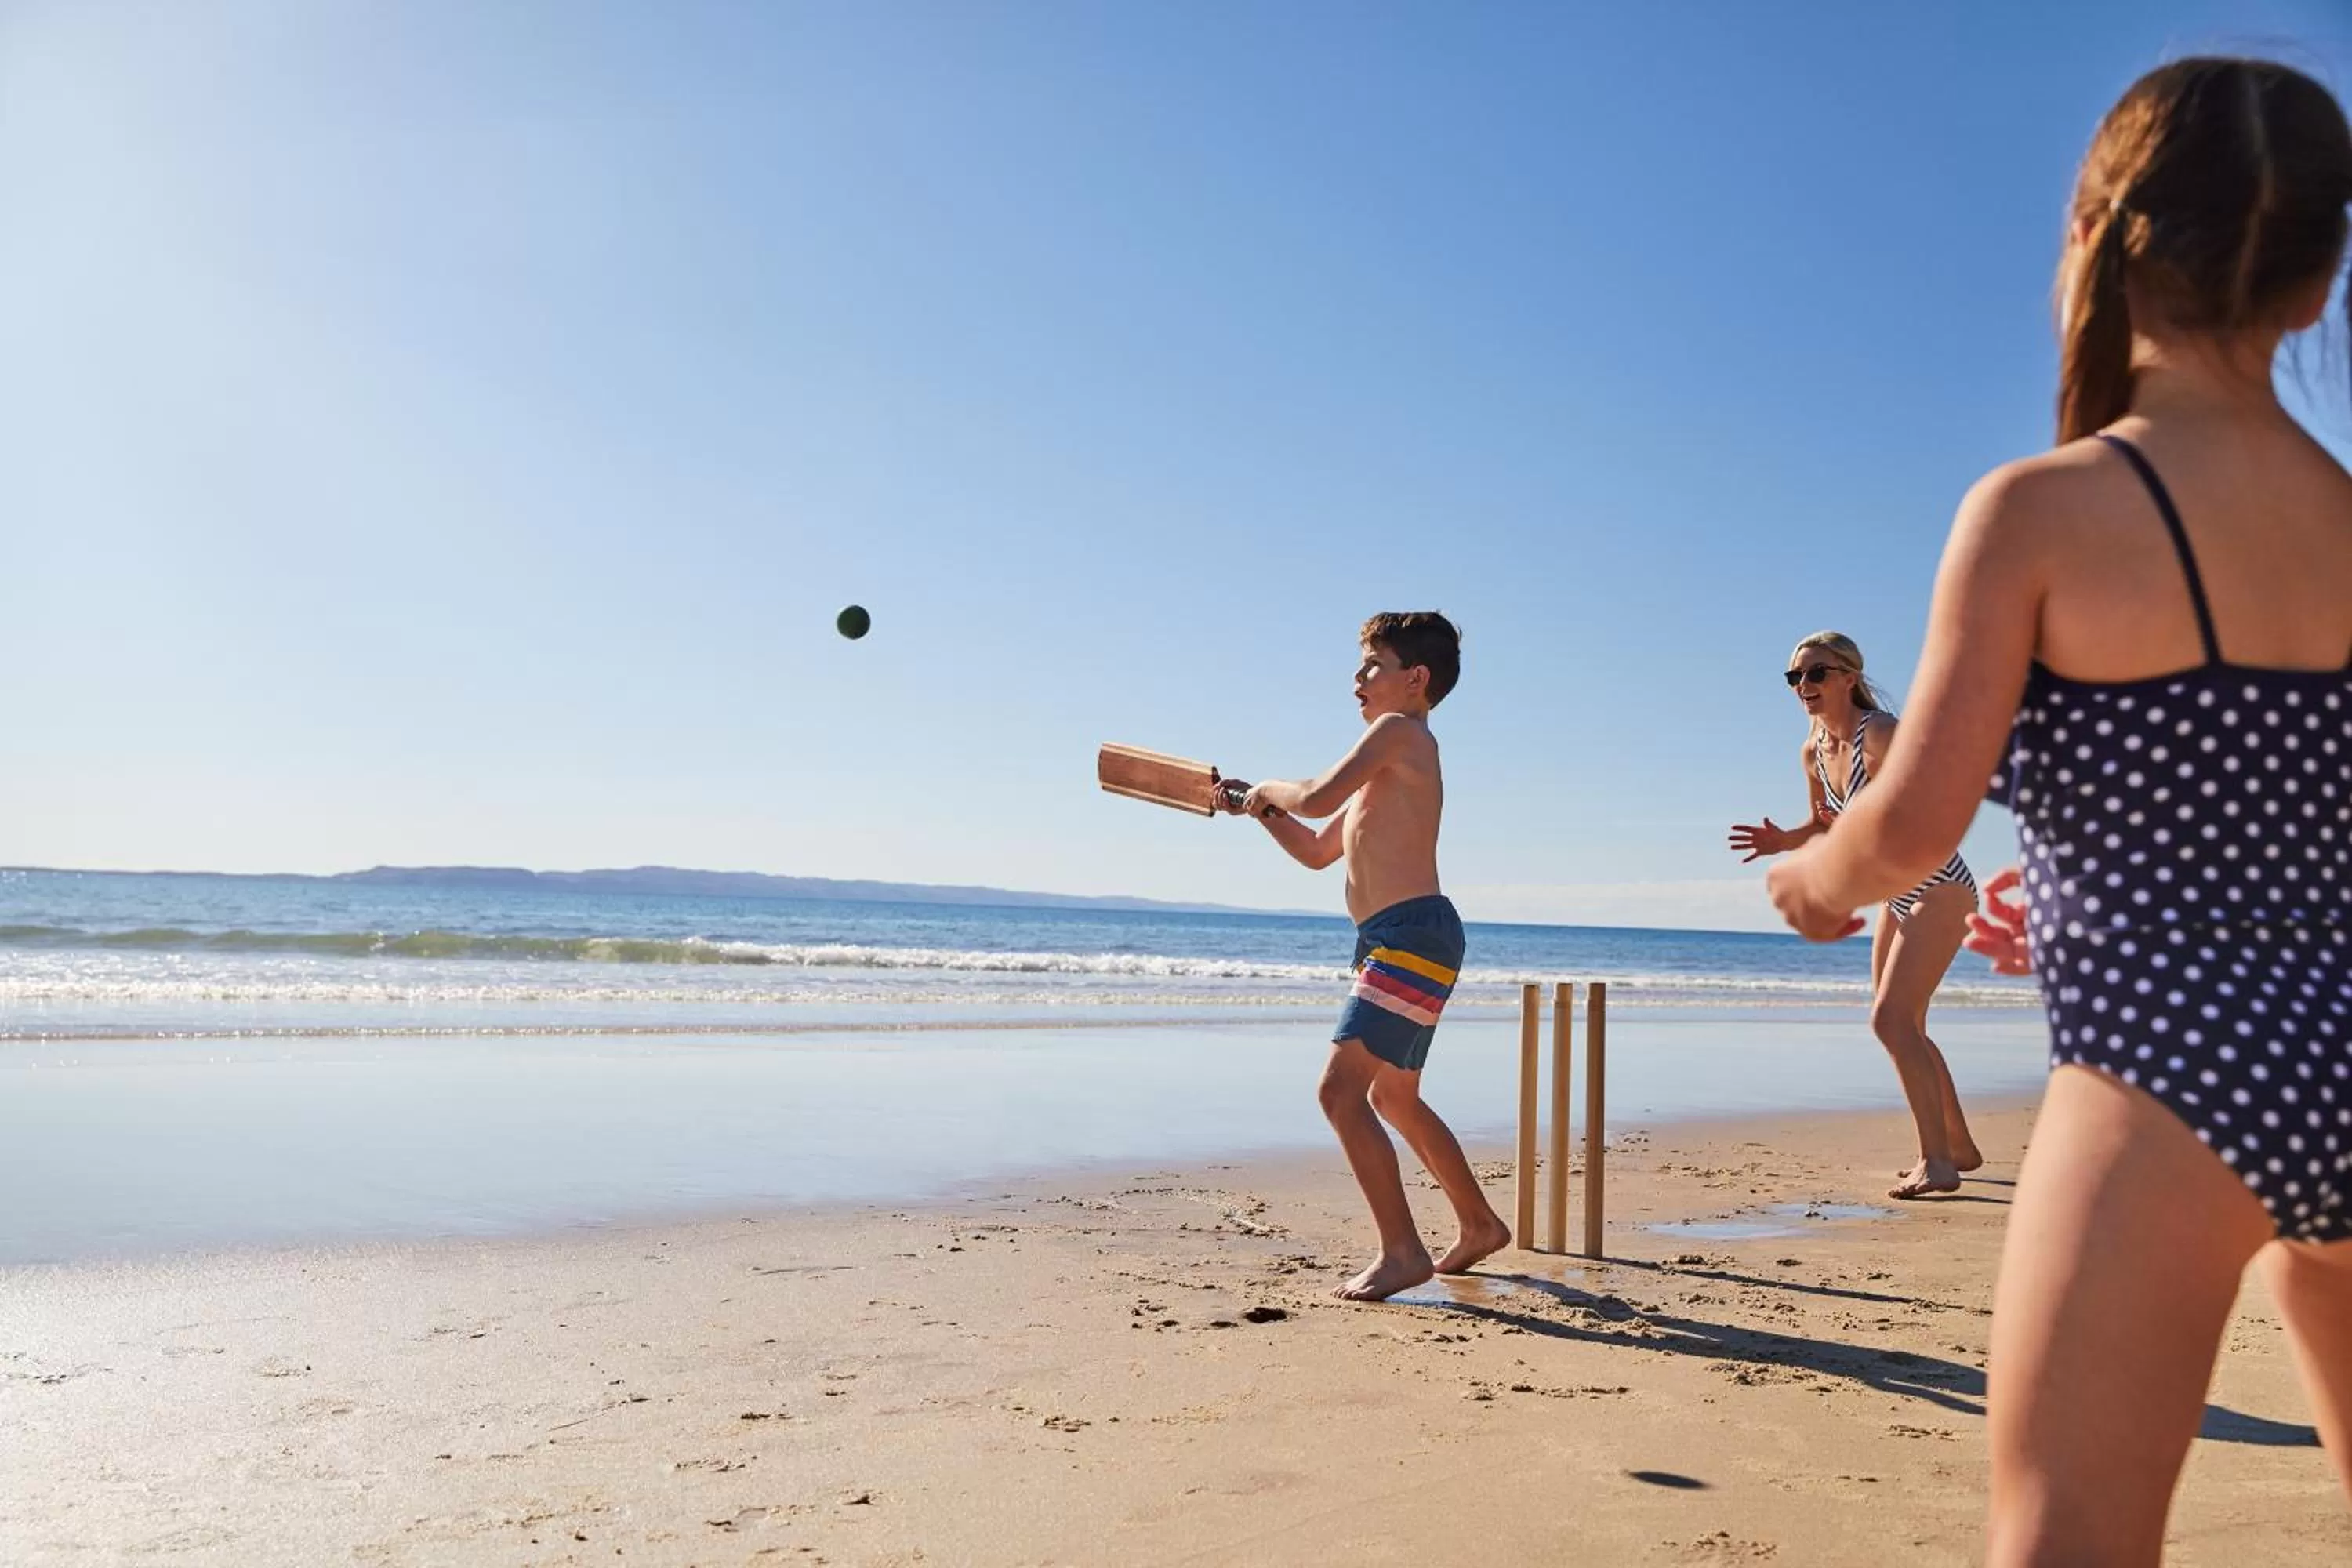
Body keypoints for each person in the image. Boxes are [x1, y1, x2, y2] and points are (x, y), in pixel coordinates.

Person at [1764, 58, 2352, 1564]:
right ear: (2316, 282)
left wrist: (1821, 880)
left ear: (2094, 237)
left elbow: (1908, 825)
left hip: (2165, 1068)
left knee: (2068, 1536)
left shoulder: (2043, 509)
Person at [1222, 611, 1510, 1301]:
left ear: (1416, 679)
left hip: (1411, 936)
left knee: (1339, 1091)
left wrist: (1271, 787)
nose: (1357, 678)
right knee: (1392, 1096)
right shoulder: (1388, 760)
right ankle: (1478, 1223)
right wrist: (1262, 812)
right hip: (1400, 938)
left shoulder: (1398, 735)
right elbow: (1320, 849)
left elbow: (1316, 793)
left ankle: (1402, 1251)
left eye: (1372, 665)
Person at [1729, 632, 1984, 1199]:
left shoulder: (1884, 735)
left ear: (1849, 676)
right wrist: (1785, 840)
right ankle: (1959, 1146)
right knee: (1903, 1023)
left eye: (1816, 674)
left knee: (1891, 1022)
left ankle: (1936, 1161)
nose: (1805, 687)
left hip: (1941, 889)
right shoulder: (1813, 750)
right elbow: (1827, 822)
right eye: (1796, 678)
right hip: (1897, 894)